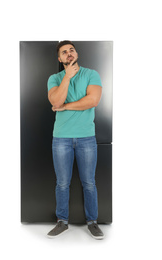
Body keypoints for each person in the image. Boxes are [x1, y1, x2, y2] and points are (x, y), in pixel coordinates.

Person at [47, 40, 104, 239]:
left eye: (71, 50)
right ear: (59, 58)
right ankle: (62, 222)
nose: (69, 53)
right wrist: (67, 78)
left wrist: (65, 107)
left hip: (86, 138)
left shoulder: (91, 74)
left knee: (89, 182)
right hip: (61, 138)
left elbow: (93, 100)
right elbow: (55, 101)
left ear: (76, 53)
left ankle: (93, 222)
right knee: (62, 183)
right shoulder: (54, 78)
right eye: (64, 52)